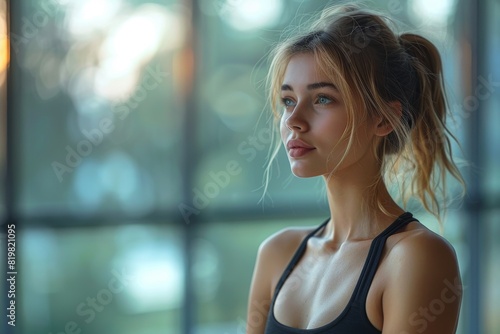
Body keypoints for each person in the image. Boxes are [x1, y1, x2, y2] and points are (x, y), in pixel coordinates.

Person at [247, 4, 465, 334]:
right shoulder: (277, 254)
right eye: (288, 100)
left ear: (384, 118)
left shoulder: (415, 257)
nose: (293, 120)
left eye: (322, 99)